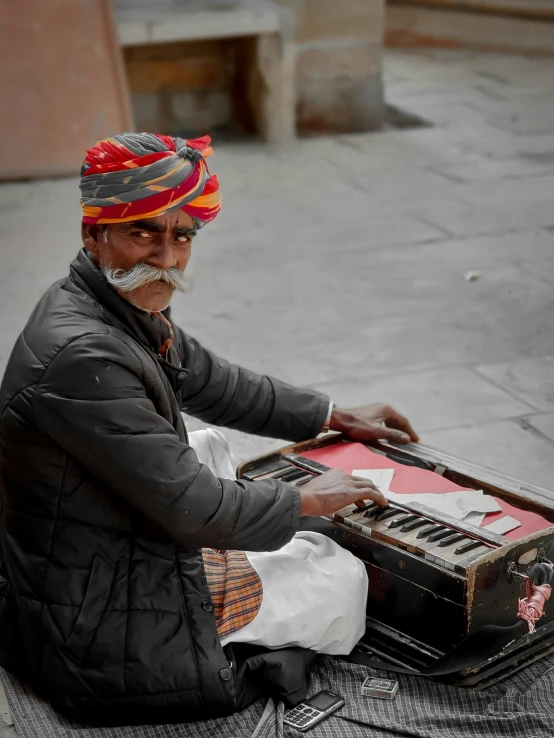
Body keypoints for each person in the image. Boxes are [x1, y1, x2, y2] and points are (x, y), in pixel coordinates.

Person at [0, 133, 418, 724]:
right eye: (142, 232)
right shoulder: (84, 354)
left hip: (86, 550)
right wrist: (308, 499)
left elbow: (212, 380)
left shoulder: (110, 302)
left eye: (182, 236)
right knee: (337, 574)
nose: (166, 258)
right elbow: (192, 509)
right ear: (94, 234)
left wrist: (330, 414)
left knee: (212, 446)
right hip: (100, 627)